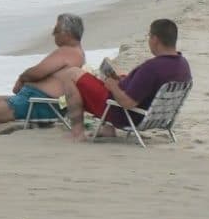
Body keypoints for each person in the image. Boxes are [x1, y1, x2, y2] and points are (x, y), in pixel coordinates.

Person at [61, 19, 191, 141]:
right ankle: (107, 129)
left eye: (149, 36)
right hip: (156, 116)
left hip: (121, 112)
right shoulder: (182, 63)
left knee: (71, 74)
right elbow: (145, 88)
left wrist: (113, 86)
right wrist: (124, 81)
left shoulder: (152, 68)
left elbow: (128, 103)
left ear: (155, 39)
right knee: (114, 77)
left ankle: (77, 133)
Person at [0, 13, 85, 142]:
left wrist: (22, 79)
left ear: (66, 32)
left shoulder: (68, 51)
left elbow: (37, 73)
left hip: (42, 104)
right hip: (37, 100)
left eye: (55, 30)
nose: (53, 34)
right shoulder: (74, 52)